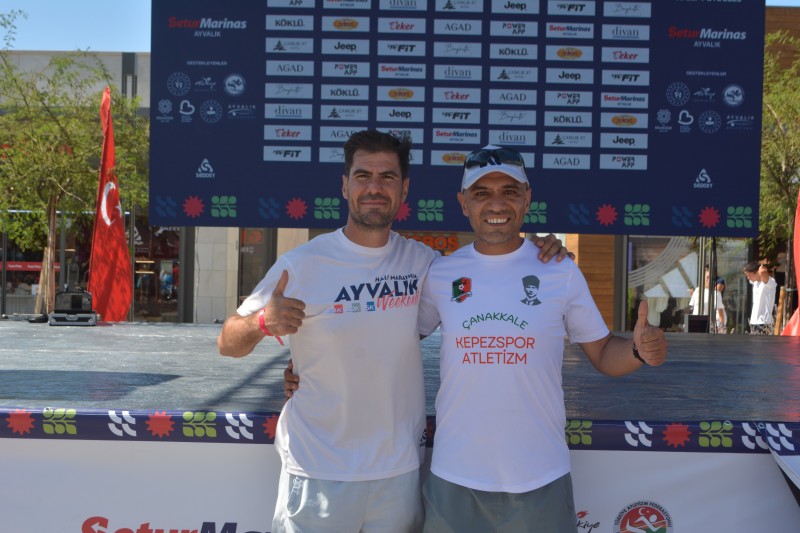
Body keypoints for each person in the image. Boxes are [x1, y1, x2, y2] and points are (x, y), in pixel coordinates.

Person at [217, 131, 568, 533]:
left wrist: (539, 251)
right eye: (362, 176)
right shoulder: (302, 264)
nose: (374, 187)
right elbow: (228, 343)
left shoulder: (426, 264)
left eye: (387, 177)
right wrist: (262, 322)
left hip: (399, 474)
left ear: (404, 189)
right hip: (318, 470)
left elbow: (492, 271)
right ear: (345, 185)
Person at [414, 145, 668, 532]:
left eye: (509, 191)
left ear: (527, 198)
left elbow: (603, 353)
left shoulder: (558, 269)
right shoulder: (441, 273)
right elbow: (397, 339)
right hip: (454, 477)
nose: (496, 203)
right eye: (481, 193)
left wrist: (638, 350)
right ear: (463, 203)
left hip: (539, 476)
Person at [687, 267, 725, 333]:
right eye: (707, 277)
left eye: (711, 278)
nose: (709, 280)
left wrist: (721, 327)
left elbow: (720, 312)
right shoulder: (697, 290)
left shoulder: (716, 293)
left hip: (707, 325)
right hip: (694, 324)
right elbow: (692, 308)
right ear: (703, 278)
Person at [743, 260, 777, 335]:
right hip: (754, 321)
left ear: (757, 273)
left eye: (749, 275)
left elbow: (763, 273)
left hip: (764, 322)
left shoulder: (769, 283)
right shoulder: (755, 282)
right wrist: (759, 263)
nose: (748, 278)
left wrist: (761, 266)